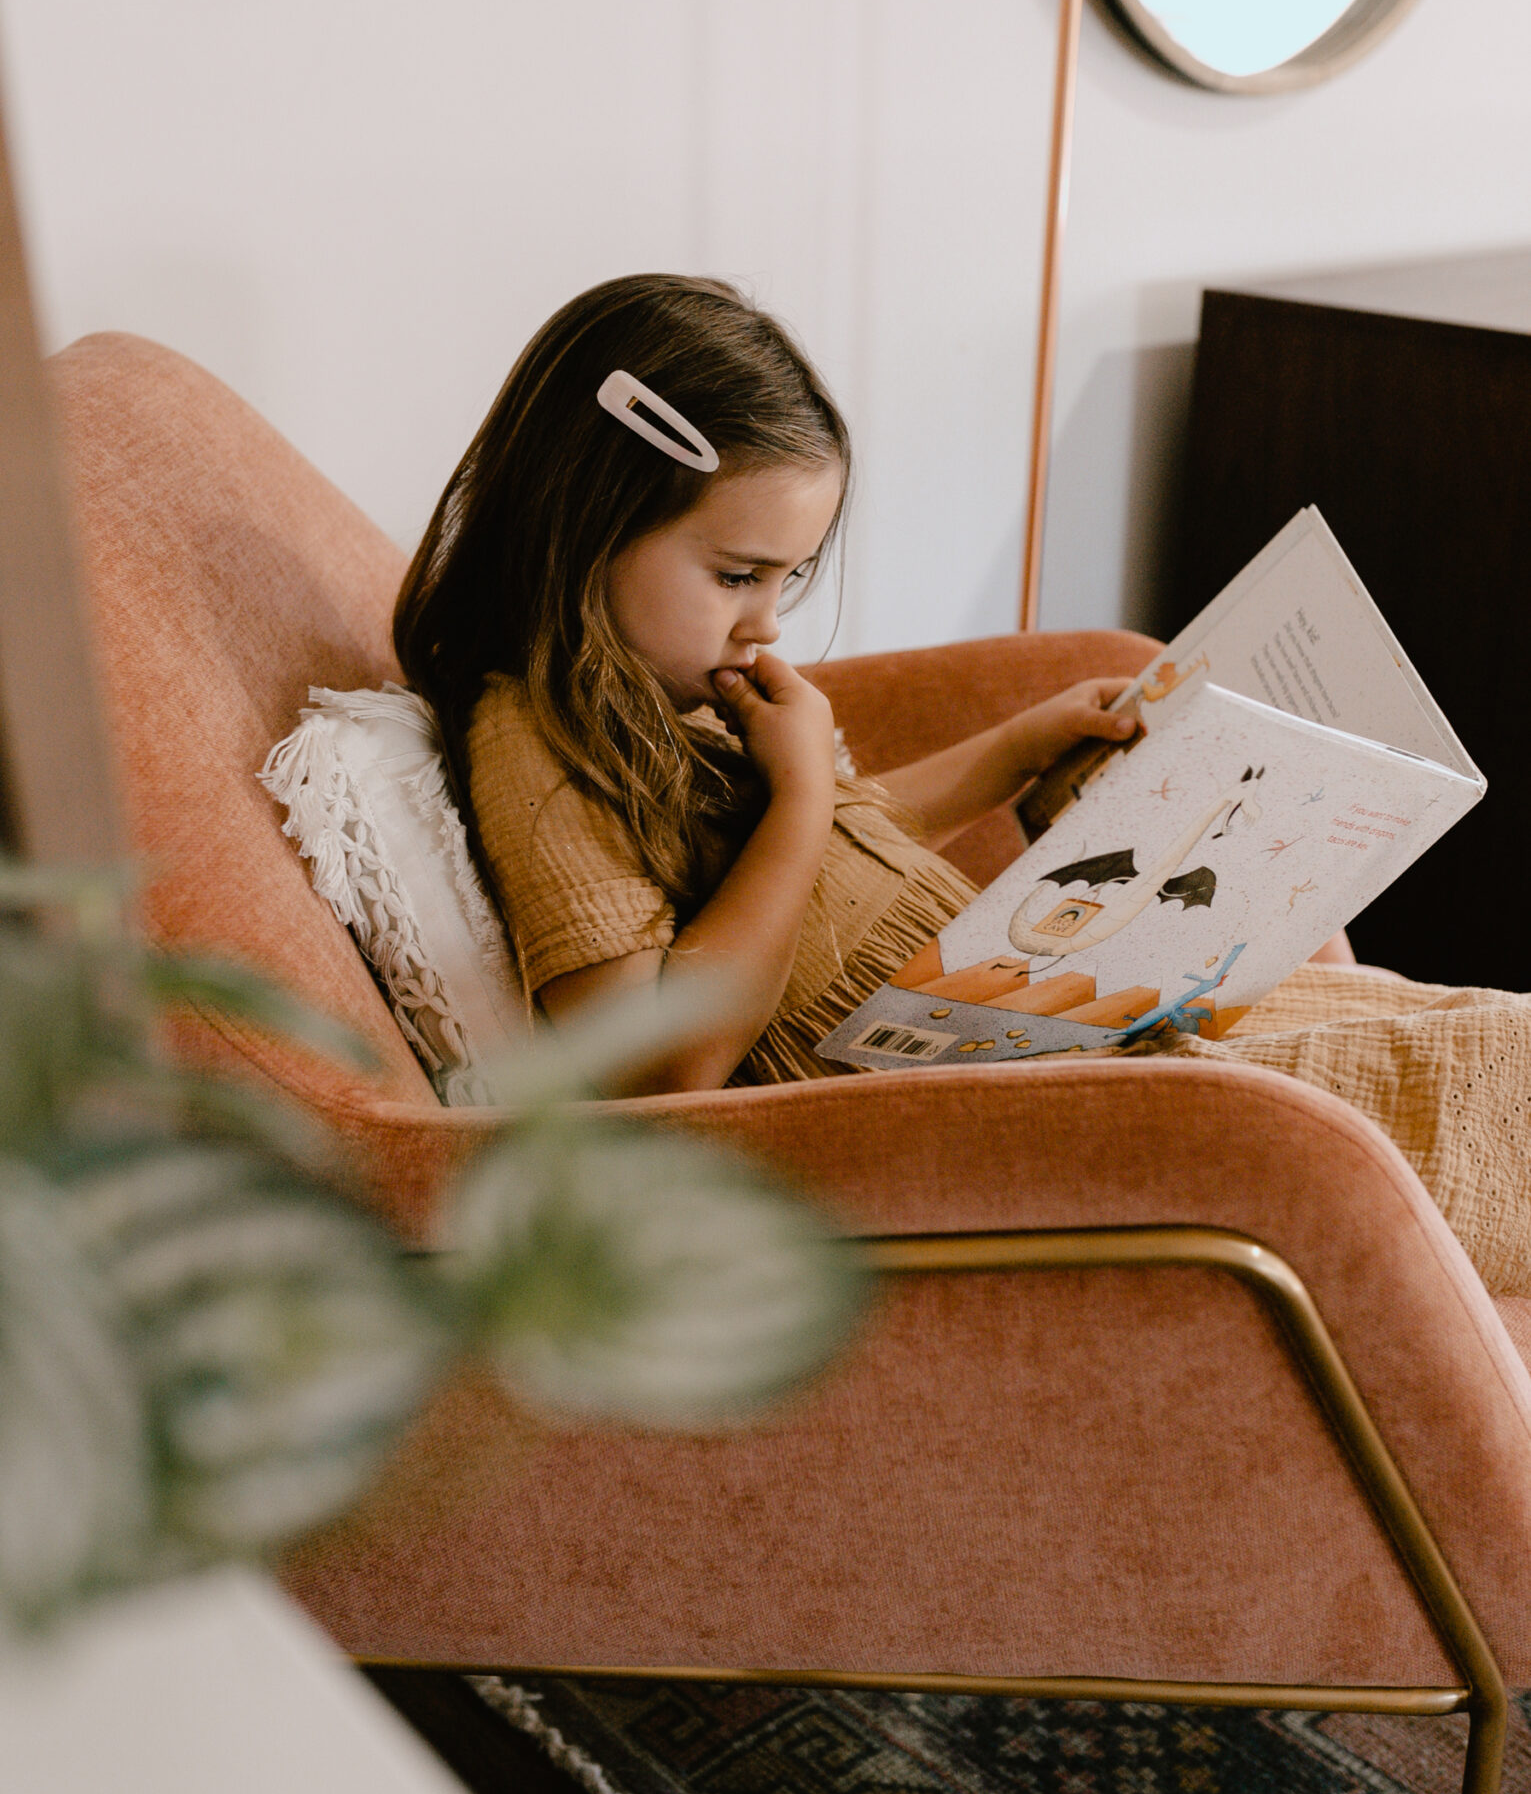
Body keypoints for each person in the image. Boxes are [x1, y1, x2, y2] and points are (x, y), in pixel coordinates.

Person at [395, 273, 1531, 1290]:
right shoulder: (534, 739)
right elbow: (662, 1063)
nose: (767, 620)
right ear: (583, 521)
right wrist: (795, 795)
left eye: (786, 577)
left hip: (1045, 1031)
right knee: (1461, 1086)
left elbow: (827, 865)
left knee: (1476, 1026)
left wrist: (1014, 749)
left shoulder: (656, 697)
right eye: (737, 574)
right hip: (969, 1126)